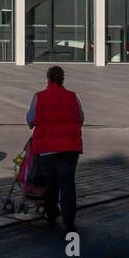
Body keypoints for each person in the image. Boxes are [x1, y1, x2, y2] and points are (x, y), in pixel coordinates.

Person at [27, 65, 85, 232]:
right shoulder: (72, 96)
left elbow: (31, 120)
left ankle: (51, 212)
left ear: (48, 78)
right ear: (62, 79)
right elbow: (81, 118)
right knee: (68, 183)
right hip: (70, 148)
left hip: (47, 149)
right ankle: (69, 219)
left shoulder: (39, 97)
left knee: (50, 182)